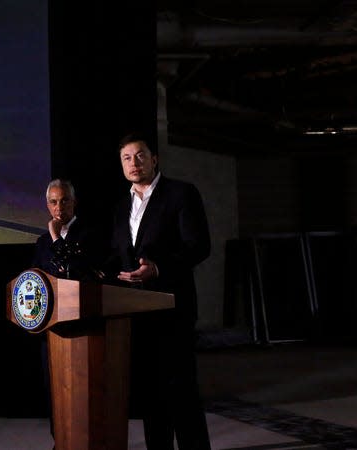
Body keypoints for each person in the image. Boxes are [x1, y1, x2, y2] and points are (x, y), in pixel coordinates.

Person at [102, 132, 212, 450]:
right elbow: (117, 254)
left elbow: (198, 246)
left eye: (139, 156)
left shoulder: (181, 193)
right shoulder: (121, 206)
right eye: (126, 158)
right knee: (151, 393)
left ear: (154, 159)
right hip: (135, 312)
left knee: (181, 389)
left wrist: (159, 268)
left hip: (172, 308)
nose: (133, 163)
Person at [31, 178, 103, 441]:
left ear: (74, 203)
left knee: (83, 390)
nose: (59, 207)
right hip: (52, 327)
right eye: (53, 202)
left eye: (64, 200)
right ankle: (60, 442)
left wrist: (55, 236)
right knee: (55, 391)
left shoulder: (91, 234)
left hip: (83, 327)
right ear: (47, 205)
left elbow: (75, 270)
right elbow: (37, 279)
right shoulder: (41, 243)